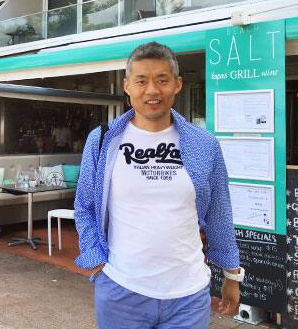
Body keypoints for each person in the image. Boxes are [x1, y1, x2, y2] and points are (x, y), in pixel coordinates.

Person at [74, 42, 242, 329]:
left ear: (177, 84)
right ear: (127, 86)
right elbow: (85, 205)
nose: (152, 90)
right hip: (120, 292)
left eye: (162, 80)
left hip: (188, 297)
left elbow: (219, 213)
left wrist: (232, 274)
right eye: (141, 81)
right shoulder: (103, 140)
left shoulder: (204, 144)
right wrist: (98, 261)